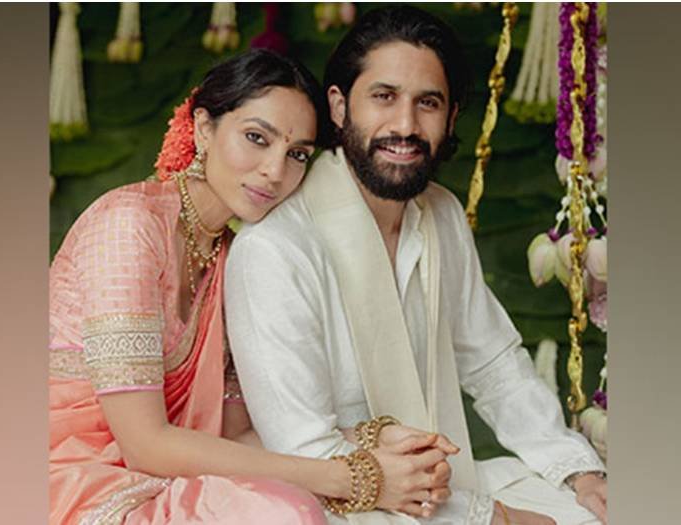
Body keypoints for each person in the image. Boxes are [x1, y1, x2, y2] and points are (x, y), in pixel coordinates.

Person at [225, 7, 607, 525]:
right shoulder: (274, 250)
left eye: (427, 103)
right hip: (329, 501)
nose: (405, 126)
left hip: (440, 485)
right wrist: (490, 517)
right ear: (338, 106)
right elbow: (304, 450)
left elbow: (493, 364)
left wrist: (578, 472)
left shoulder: (440, 214)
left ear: (450, 118)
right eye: (384, 97)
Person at [49, 49, 452, 524]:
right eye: (257, 138)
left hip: (164, 475)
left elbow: (236, 434)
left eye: (297, 154)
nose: (275, 171)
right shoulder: (129, 228)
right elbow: (145, 446)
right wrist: (353, 478)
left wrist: (372, 441)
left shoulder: (233, 255)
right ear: (203, 128)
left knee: (286, 507)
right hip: (70, 473)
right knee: (285, 512)